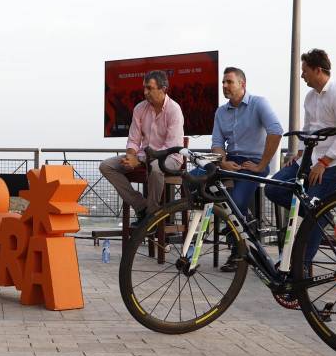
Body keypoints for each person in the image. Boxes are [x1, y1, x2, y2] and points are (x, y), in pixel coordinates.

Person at [264, 49, 336, 266]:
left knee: (313, 208)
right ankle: (321, 214)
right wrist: (299, 155)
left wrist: (324, 162)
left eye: (304, 71)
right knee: (272, 188)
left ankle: (300, 265)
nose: (302, 75)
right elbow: (308, 131)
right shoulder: (310, 96)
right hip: (310, 159)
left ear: (318, 70)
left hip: (335, 163)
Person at [204, 67, 283, 272]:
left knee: (235, 202)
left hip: (254, 164)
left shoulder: (259, 103)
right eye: (223, 82)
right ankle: (247, 225)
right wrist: (222, 162)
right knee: (194, 180)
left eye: (229, 82)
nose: (224, 86)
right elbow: (217, 143)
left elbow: (276, 130)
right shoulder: (221, 112)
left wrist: (262, 164)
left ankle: (238, 252)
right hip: (230, 162)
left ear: (242, 84)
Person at [99, 70, 184, 223]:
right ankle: (142, 207)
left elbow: (169, 148)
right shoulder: (140, 108)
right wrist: (131, 157)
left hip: (170, 158)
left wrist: (139, 161)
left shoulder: (174, 110)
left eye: (149, 88)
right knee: (106, 166)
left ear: (163, 89)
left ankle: (152, 216)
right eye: (144, 88)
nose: (145, 92)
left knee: (156, 168)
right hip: (144, 157)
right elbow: (133, 140)